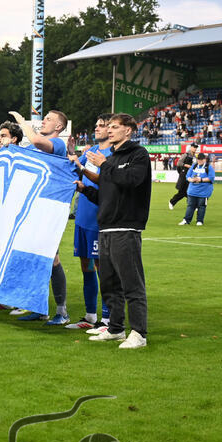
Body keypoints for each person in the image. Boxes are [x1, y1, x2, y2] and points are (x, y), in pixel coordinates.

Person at [77, 113, 151, 349]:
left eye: (115, 127)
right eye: (108, 126)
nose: (109, 130)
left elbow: (132, 180)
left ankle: (139, 333)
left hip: (126, 227)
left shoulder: (138, 154)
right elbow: (106, 196)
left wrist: (104, 165)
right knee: (109, 284)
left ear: (128, 130)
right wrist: (84, 189)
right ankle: (116, 329)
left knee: (132, 283)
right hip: (106, 227)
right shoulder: (111, 158)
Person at [12, 110, 71, 325]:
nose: (43, 121)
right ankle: (38, 307)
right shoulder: (34, 147)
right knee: (33, 256)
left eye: (48, 119)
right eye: (44, 117)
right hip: (32, 206)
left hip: (49, 207)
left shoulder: (58, 144)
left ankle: (62, 312)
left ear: (59, 127)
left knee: (52, 259)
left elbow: (37, 141)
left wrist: (22, 122)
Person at [67, 114, 113, 331]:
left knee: (102, 267)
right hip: (82, 216)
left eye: (101, 125)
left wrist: (81, 165)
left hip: (98, 218)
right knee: (86, 266)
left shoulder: (112, 154)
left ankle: (108, 319)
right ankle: (90, 316)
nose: (97, 128)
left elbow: (105, 181)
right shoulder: (91, 151)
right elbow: (77, 170)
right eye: (96, 125)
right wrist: (72, 155)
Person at [179, 153, 215, 226]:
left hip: (204, 191)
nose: (199, 161)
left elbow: (211, 178)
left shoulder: (209, 167)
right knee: (190, 206)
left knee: (201, 206)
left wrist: (201, 179)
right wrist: (191, 180)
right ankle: (186, 220)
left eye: (201, 159)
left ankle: (199, 221)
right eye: (198, 159)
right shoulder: (194, 166)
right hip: (192, 190)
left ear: (204, 159)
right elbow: (188, 176)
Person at [168, 143, 199, 210]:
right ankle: (172, 202)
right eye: (194, 147)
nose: (195, 148)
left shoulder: (195, 157)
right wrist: (186, 165)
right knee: (183, 192)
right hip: (184, 176)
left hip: (191, 176)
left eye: (196, 147)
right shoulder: (185, 155)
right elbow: (179, 163)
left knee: (189, 192)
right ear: (191, 147)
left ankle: (193, 205)